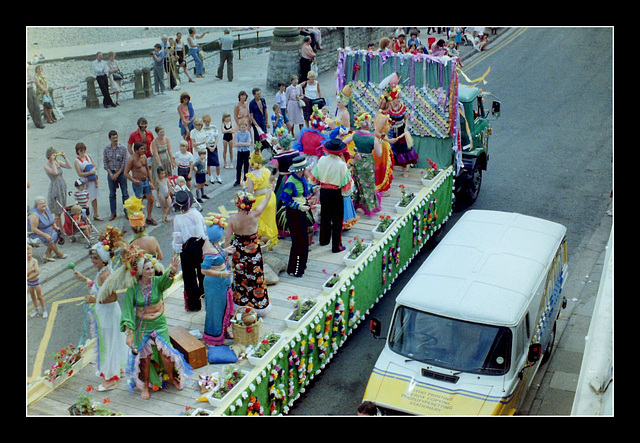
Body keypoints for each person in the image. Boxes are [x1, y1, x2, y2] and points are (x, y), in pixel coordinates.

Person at [117, 245, 189, 399]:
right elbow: (128, 311)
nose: (150, 271)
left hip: (159, 323)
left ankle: (171, 377)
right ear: (141, 271)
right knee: (145, 357)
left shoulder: (156, 282)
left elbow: (166, 279)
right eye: (147, 269)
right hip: (142, 326)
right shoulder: (133, 289)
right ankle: (145, 387)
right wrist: (129, 334)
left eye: (151, 268)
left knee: (166, 354)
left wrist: (173, 270)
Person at [74, 241, 129, 391]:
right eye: (92, 258)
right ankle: (120, 368)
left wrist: (94, 299)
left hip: (108, 314)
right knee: (115, 341)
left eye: (95, 258)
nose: (92, 261)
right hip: (108, 313)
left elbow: (113, 297)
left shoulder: (105, 275)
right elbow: (99, 289)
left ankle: (110, 378)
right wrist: (83, 279)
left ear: (103, 259)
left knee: (107, 344)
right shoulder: (103, 271)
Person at [224, 189, 273, 317]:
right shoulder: (255, 213)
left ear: (237, 205)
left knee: (241, 278)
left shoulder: (232, 219)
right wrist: (268, 193)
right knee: (256, 278)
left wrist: (224, 252)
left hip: (238, 252)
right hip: (254, 252)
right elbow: (265, 201)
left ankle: (242, 304)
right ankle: (258, 304)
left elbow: (228, 238)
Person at [308, 138, 354, 253]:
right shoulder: (341, 164)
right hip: (336, 192)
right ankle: (336, 246)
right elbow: (346, 183)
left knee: (325, 216)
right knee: (338, 219)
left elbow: (314, 177)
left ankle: (324, 240)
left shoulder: (322, 160)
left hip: (324, 191)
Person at [201, 216, 234, 345]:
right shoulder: (209, 249)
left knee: (225, 306)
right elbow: (204, 270)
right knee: (215, 309)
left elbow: (218, 254)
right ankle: (214, 336)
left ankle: (224, 329)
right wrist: (221, 275)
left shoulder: (214, 243)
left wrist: (226, 250)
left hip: (222, 282)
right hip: (215, 284)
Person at [172, 190, 207, 312]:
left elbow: (178, 238)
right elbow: (204, 230)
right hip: (200, 244)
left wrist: (177, 251)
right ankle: (205, 293)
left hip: (187, 248)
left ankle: (194, 305)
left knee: (189, 275)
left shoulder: (178, 219)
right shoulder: (197, 214)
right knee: (202, 271)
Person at [279, 155, 314, 277]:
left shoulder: (302, 178)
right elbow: (285, 200)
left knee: (303, 241)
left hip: (301, 212)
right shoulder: (290, 182)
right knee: (299, 242)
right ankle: (297, 269)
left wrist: (313, 189)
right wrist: (300, 207)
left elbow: (304, 192)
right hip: (294, 214)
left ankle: (298, 267)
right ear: (300, 169)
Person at [342, 112, 382, 217]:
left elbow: (343, 143)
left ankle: (356, 204)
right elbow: (379, 153)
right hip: (368, 164)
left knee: (357, 183)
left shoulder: (355, 135)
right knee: (368, 185)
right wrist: (380, 144)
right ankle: (369, 208)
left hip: (357, 161)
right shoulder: (373, 138)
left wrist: (350, 154)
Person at [245, 151, 279, 249]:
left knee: (260, 223)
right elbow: (271, 185)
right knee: (270, 221)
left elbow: (249, 193)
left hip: (260, 200)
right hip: (270, 197)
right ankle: (271, 244)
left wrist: (244, 187)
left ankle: (261, 246)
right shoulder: (267, 171)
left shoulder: (251, 176)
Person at [386, 86, 417, 177]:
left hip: (401, 130)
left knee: (403, 149)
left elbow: (406, 118)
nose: (399, 100)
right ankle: (390, 169)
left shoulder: (402, 107)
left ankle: (404, 171)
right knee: (391, 150)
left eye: (400, 98)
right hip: (392, 131)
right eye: (397, 98)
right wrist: (389, 126)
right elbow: (386, 120)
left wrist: (406, 127)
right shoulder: (389, 108)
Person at [124, 142, 157, 226]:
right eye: (141, 149)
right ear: (136, 150)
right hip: (138, 182)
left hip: (145, 181)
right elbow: (126, 173)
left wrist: (150, 182)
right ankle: (140, 219)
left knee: (151, 199)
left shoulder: (144, 157)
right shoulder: (131, 159)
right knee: (139, 202)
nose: (143, 150)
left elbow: (147, 169)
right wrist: (134, 180)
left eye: (144, 148)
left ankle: (149, 217)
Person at [28, 196, 67, 262]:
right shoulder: (34, 215)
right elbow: (34, 229)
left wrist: (55, 227)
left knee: (57, 232)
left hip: (45, 229)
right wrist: (45, 235)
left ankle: (47, 253)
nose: (44, 205)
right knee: (48, 237)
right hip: (35, 233)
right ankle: (58, 253)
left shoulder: (45, 209)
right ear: (36, 205)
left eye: (44, 203)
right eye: (41, 204)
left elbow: (51, 221)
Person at [103, 130, 130, 221]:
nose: (115, 139)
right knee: (112, 194)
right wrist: (111, 173)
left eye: (116, 137)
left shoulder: (122, 148)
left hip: (121, 173)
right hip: (111, 173)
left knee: (125, 193)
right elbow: (105, 162)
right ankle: (113, 212)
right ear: (110, 139)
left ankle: (127, 211)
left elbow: (124, 163)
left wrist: (118, 174)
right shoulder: (106, 149)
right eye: (113, 138)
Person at [45, 147, 71, 234]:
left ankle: (61, 227)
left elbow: (69, 166)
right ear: (49, 156)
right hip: (55, 187)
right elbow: (55, 173)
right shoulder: (47, 166)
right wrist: (52, 162)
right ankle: (60, 229)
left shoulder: (57, 162)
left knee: (63, 208)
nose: (55, 156)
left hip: (62, 186)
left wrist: (64, 157)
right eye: (53, 154)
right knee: (58, 211)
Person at [74, 142, 102, 221]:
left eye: (84, 149)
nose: (83, 151)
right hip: (85, 181)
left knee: (94, 197)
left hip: (92, 179)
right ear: (78, 151)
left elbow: (94, 165)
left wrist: (93, 170)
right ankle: (86, 217)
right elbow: (79, 173)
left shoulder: (88, 156)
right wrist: (89, 172)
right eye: (81, 150)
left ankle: (96, 214)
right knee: (85, 199)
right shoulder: (77, 161)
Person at [27, 244, 47, 318]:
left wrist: (28, 278)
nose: (29, 255)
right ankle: (36, 311)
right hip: (30, 283)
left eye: (30, 253)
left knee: (40, 297)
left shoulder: (34, 261)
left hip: (36, 281)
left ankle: (44, 310)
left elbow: (37, 272)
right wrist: (31, 270)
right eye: (27, 254)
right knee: (33, 297)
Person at [202, 114, 222, 183]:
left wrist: (214, 146)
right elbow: (203, 140)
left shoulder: (214, 127)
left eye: (208, 122)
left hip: (214, 146)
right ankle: (210, 176)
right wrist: (209, 147)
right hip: (207, 147)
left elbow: (216, 137)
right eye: (206, 122)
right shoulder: (203, 129)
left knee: (217, 163)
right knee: (208, 163)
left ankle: (218, 176)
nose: (207, 123)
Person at [233, 120, 252, 187]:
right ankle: (238, 180)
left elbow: (248, 143)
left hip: (246, 151)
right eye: (242, 127)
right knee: (238, 166)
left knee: (246, 166)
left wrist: (241, 143)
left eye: (244, 127)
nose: (243, 128)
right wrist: (243, 144)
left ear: (246, 127)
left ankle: (245, 179)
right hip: (240, 151)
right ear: (239, 127)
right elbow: (235, 144)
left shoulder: (248, 133)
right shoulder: (238, 133)